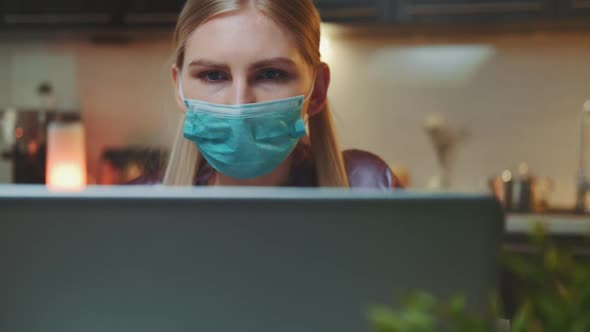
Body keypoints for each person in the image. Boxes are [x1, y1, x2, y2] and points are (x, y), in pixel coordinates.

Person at [138, 0, 400, 189]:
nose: (240, 103)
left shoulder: (370, 187)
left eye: (271, 74)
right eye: (213, 75)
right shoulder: (133, 210)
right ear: (179, 89)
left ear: (318, 89)